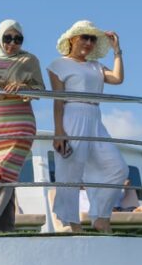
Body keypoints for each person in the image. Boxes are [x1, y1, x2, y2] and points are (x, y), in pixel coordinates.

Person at [47, 20, 129, 233]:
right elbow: (58, 100)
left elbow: (117, 78)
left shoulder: (96, 66)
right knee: (70, 172)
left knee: (118, 168)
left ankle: (101, 217)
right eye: (85, 37)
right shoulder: (58, 65)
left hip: (95, 116)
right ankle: (72, 224)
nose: (89, 42)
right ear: (72, 39)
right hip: (72, 114)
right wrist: (59, 132)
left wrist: (117, 50)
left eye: (93, 39)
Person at [0, 19, 45, 233]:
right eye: (7, 38)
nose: (12, 43)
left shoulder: (29, 60)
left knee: (6, 171)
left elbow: (40, 89)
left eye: (17, 39)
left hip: (21, 124)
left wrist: (23, 86)